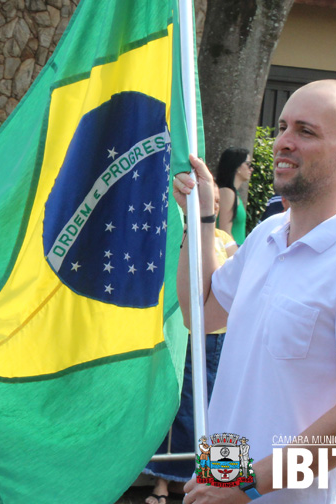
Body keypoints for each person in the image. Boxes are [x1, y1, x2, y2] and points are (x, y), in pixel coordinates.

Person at [175, 80, 336, 503]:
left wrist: (246, 485)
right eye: (283, 127)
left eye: (306, 131)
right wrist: (201, 218)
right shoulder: (267, 234)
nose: (282, 142)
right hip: (225, 480)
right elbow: (202, 313)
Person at [142, 186, 235, 504]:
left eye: (217, 202)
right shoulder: (173, 237)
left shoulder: (224, 239)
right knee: (179, 408)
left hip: (222, 340)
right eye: (208, 200)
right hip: (185, 338)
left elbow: (234, 276)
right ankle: (163, 483)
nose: (213, 206)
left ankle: (220, 482)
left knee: (220, 410)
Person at [213, 147, 252, 246]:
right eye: (248, 164)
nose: (251, 169)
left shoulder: (233, 193)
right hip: (230, 254)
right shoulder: (227, 193)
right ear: (237, 166)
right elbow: (225, 232)